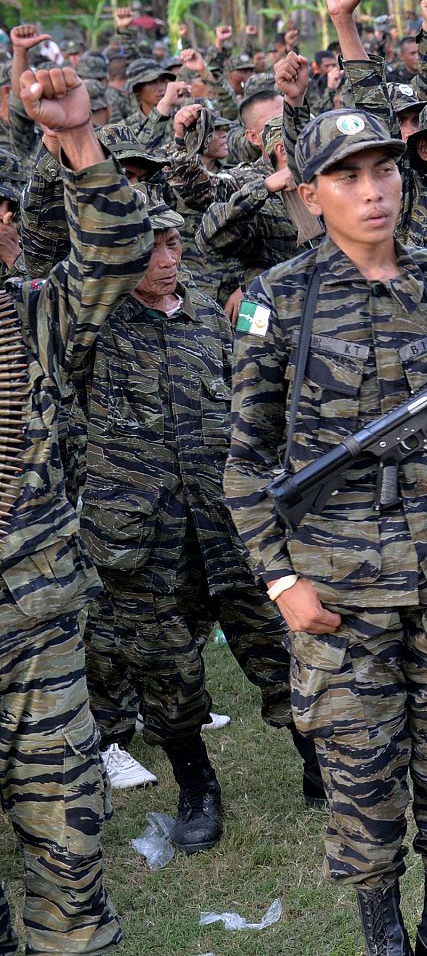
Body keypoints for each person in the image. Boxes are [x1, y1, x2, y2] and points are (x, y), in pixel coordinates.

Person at [223, 106, 427, 956]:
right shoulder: (279, 302)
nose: (373, 191)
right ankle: (383, 935)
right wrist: (281, 580)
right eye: (348, 177)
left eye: (385, 170)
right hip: (339, 588)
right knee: (360, 771)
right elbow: (245, 460)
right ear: (312, 195)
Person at [74, 187, 315, 853]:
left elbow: (257, 407)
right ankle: (197, 789)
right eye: (147, 247)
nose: (165, 258)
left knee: (282, 651)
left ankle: (319, 766)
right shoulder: (97, 328)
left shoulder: (211, 315)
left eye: (173, 243)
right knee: (166, 674)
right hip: (142, 541)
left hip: (228, 526)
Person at [0, 57, 135, 955]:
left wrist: (77, 136)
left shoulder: (34, 319)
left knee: (66, 830)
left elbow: (115, 248)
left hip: (36, 633)